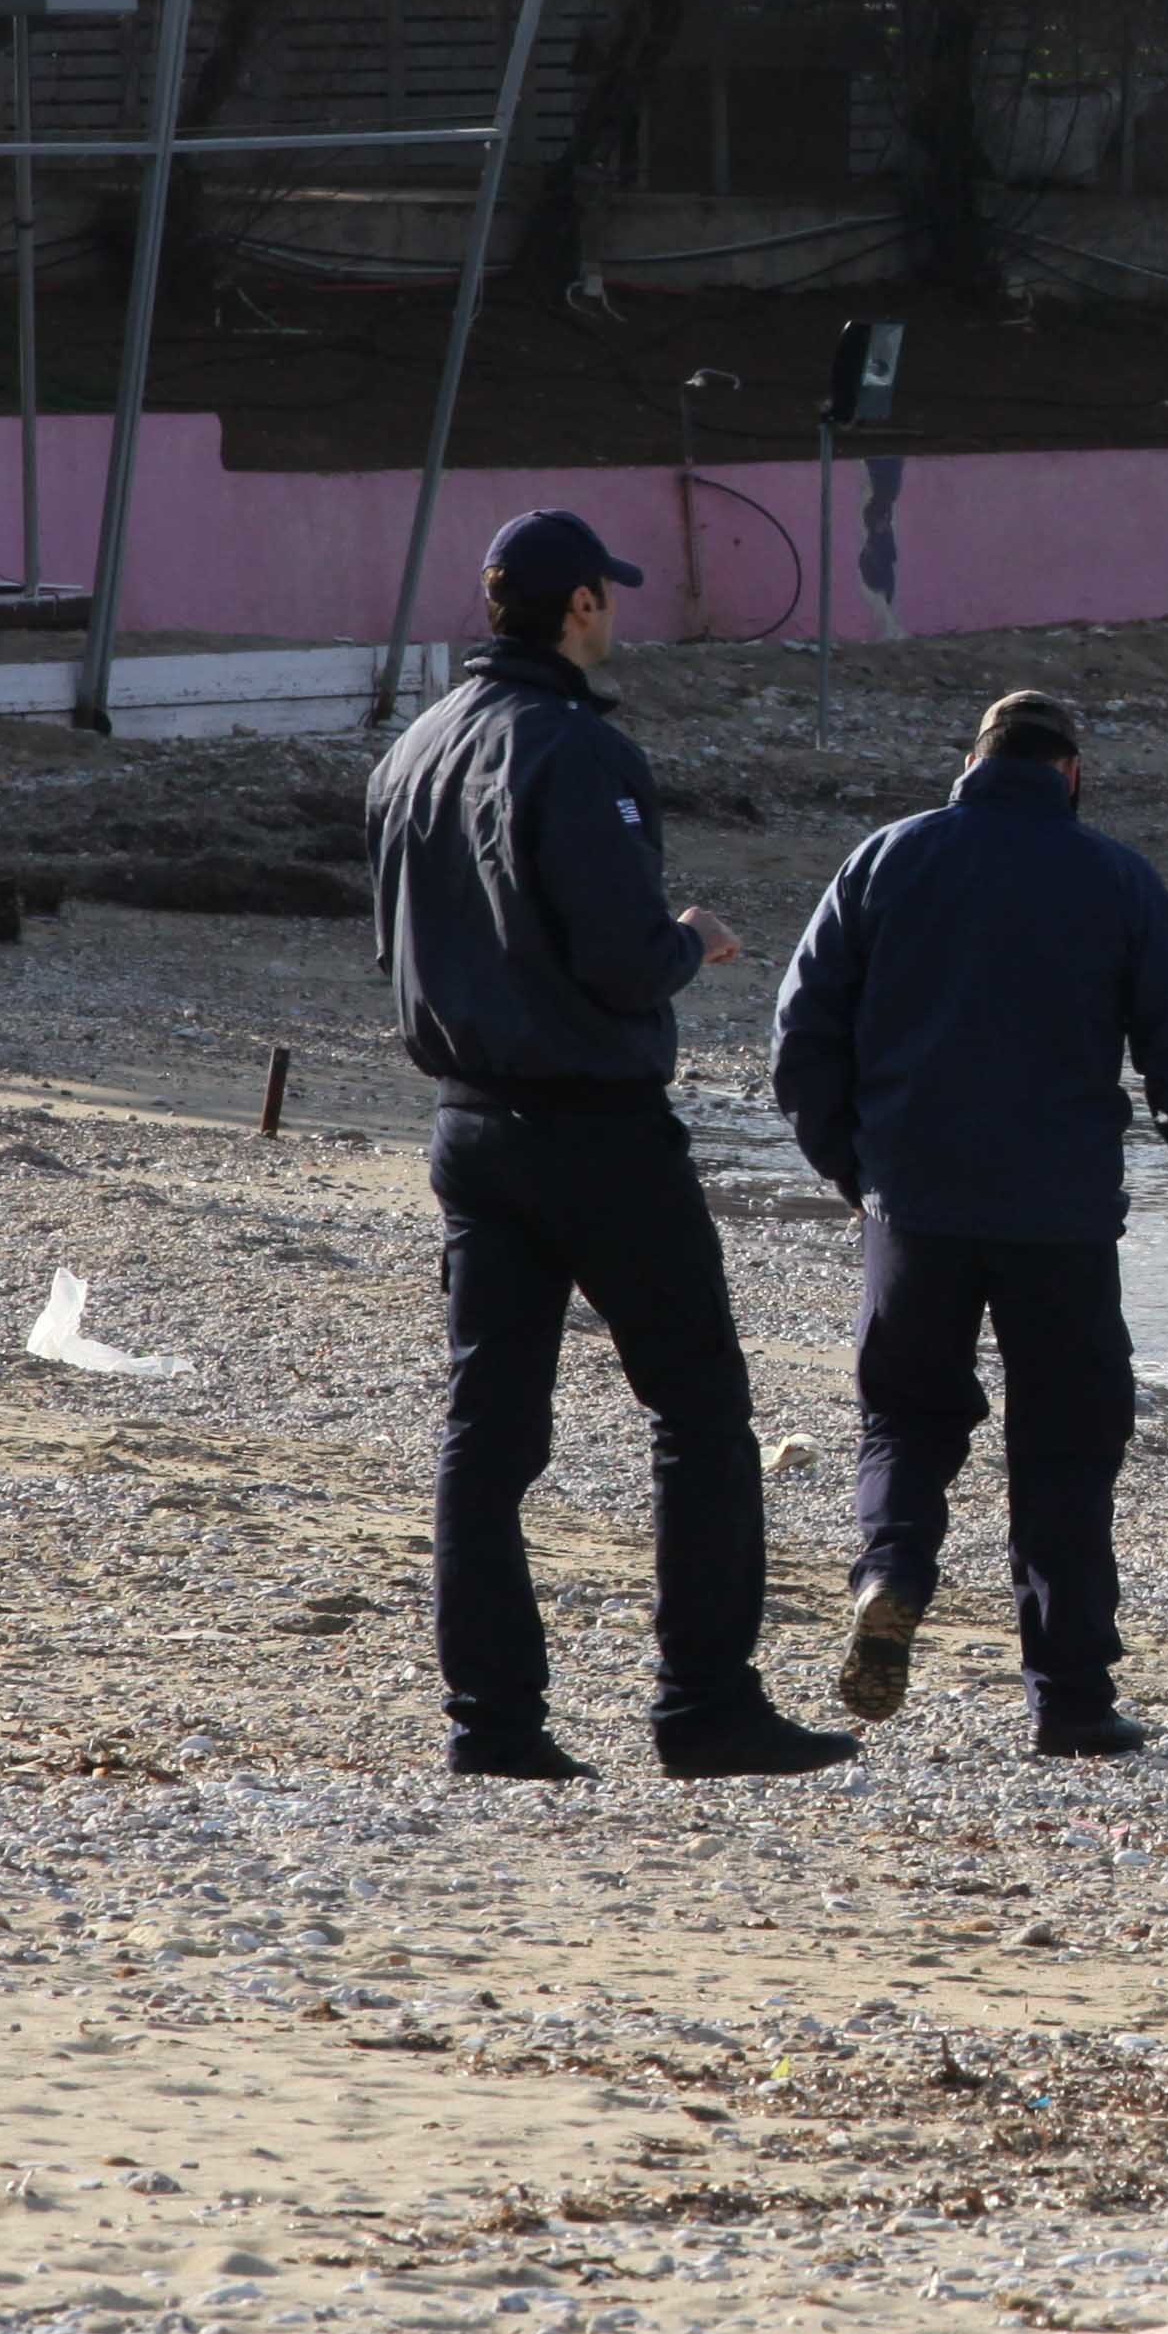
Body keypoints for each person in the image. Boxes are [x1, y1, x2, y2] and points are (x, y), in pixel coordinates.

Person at [364, 509, 858, 1785]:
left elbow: (394, 951)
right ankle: (703, 1706)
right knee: (700, 1413)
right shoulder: (580, 751)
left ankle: (495, 1723)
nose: (617, 614)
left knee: (490, 1429)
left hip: (467, 1125)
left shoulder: (414, 746)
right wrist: (695, 938)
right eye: (609, 596)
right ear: (578, 605)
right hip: (591, 1127)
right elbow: (623, 963)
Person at [769, 688, 1168, 1761]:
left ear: (975, 760)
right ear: (1071, 772)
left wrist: (861, 1173)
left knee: (907, 1419)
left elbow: (801, 1037)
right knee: (1066, 1448)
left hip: (917, 1207)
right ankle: (1070, 1700)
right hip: (1061, 1219)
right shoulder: (1119, 880)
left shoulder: (887, 859)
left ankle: (892, 1574)